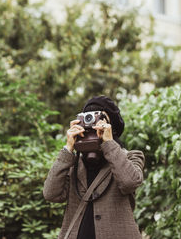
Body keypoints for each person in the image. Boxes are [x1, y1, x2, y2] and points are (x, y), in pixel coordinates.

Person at [43, 96, 145, 239]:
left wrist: (109, 143)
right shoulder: (74, 163)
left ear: (112, 127)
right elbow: (51, 194)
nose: (93, 124)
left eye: (99, 118)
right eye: (88, 119)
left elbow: (129, 183)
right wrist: (68, 148)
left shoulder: (131, 157)